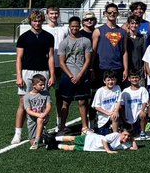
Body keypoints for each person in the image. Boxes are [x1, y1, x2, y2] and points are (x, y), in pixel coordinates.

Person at [14, 10, 55, 144]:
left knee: (42, 104)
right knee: (23, 103)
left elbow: (51, 58)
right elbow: (19, 58)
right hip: (27, 72)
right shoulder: (24, 37)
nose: (37, 23)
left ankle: (39, 133)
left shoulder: (49, 37)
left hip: (43, 72)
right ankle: (18, 133)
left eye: (39, 20)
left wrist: (52, 75)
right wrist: (19, 76)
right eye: (34, 20)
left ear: (43, 21)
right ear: (30, 21)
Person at [55, 16, 93, 134]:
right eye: (72, 26)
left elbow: (87, 60)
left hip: (82, 76)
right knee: (65, 102)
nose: (75, 28)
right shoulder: (64, 43)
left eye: (77, 26)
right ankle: (62, 127)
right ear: (69, 27)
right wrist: (71, 76)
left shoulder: (86, 41)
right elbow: (61, 62)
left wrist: (80, 74)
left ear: (80, 26)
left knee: (82, 102)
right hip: (67, 77)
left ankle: (84, 127)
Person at [92, 4, 128, 83]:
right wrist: (91, 67)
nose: (112, 14)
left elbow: (124, 52)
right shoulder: (98, 31)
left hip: (117, 67)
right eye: (109, 12)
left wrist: (126, 69)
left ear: (117, 14)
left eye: (114, 12)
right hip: (102, 67)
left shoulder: (123, 32)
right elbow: (93, 51)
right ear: (105, 13)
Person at [22, 73, 50, 149]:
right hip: (32, 119)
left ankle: (37, 141)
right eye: (41, 85)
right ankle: (43, 135)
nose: (43, 86)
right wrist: (38, 115)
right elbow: (28, 111)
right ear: (34, 85)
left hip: (43, 116)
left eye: (44, 84)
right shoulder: (27, 96)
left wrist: (44, 114)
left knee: (40, 120)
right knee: (31, 141)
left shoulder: (46, 94)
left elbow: (48, 106)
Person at [90, 70, 122, 135]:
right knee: (104, 136)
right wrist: (108, 113)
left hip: (112, 115)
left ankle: (115, 134)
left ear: (116, 80)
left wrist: (115, 111)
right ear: (104, 81)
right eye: (108, 80)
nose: (110, 82)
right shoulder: (100, 91)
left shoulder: (117, 88)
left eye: (113, 80)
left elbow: (119, 101)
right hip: (103, 118)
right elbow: (96, 106)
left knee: (115, 116)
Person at [119, 70, 149, 137]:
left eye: (136, 77)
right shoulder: (125, 91)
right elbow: (122, 105)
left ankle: (143, 132)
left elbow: (145, 102)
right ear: (129, 79)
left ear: (139, 78)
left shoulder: (143, 89)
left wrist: (142, 111)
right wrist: (123, 117)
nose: (134, 79)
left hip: (139, 116)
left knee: (142, 115)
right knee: (131, 134)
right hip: (128, 118)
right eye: (132, 78)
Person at [49, 129, 134, 153]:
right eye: (125, 135)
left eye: (128, 136)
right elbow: (104, 140)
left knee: (71, 148)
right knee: (72, 139)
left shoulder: (125, 145)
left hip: (91, 148)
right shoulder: (115, 135)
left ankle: (55, 146)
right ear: (121, 133)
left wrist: (132, 138)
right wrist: (108, 150)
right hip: (91, 139)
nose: (126, 137)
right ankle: (53, 139)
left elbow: (135, 148)